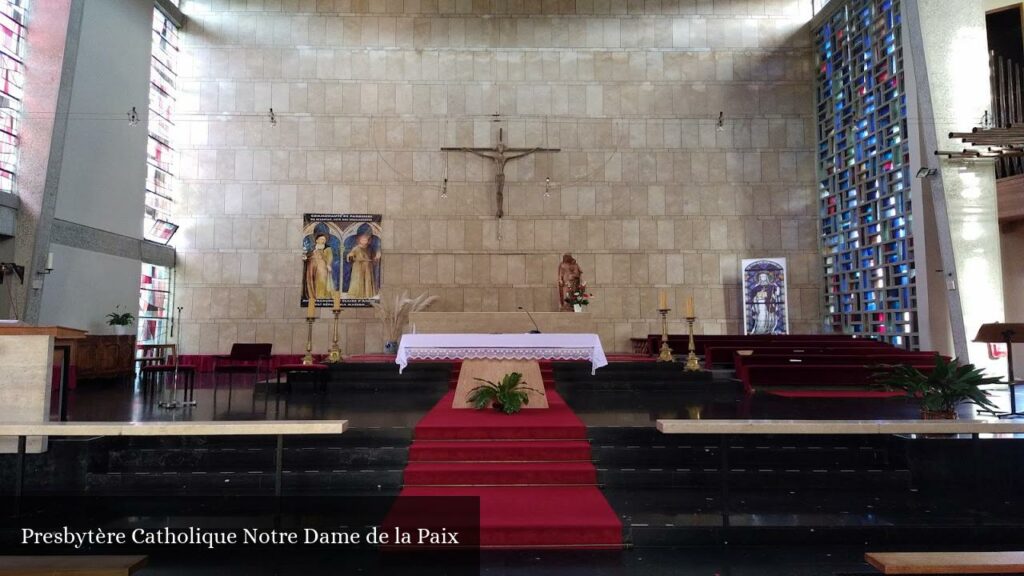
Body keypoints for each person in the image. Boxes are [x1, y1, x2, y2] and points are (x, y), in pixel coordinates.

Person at [346, 229, 378, 299]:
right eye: (363, 239)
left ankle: (367, 294)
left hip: (367, 267)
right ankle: (357, 295)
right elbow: (350, 255)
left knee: (367, 280)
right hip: (358, 267)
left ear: (368, 240)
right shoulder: (356, 248)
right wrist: (350, 256)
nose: (364, 241)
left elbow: (374, 257)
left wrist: (376, 257)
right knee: (358, 280)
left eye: (366, 239)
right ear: (359, 240)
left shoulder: (370, 248)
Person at [306, 234, 335, 298]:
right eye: (321, 239)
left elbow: (330, 257)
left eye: (324, 239)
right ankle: (313, 295)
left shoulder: (327, 248)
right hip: (311, 266)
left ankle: (321, 296)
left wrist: (328, 264)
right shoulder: (312, 247)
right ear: (317, 240)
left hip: (322, 266)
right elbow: (308, 255)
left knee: (321, 280)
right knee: (311, 280)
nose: (323, 241)